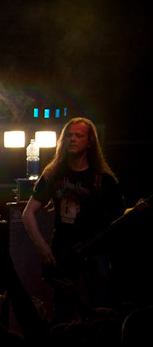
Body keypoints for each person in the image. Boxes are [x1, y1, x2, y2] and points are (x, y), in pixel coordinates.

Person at [22, 118, 126, 322]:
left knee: (99, 311)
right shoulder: (53, 174)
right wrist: (42, 247)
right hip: (63, 254)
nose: (72, 139)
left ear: (90, 142)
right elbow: (27, 213)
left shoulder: (103, 179)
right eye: (69, 135)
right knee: (62, 313)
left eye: (79, 135)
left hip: (96, 254)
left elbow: (120, 219)